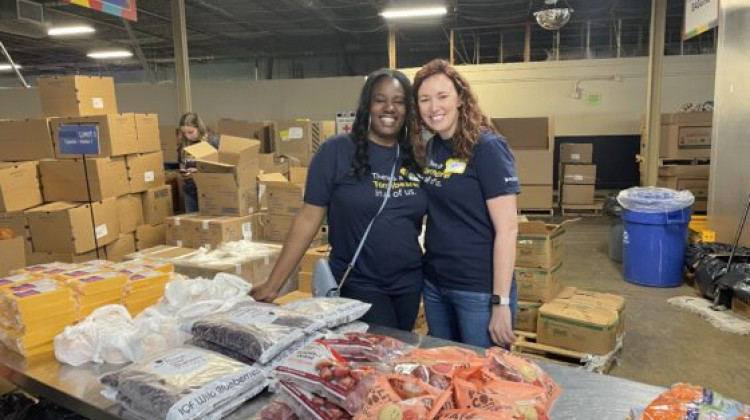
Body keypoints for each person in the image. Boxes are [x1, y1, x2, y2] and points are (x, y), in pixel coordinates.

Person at [252, 68, 426, 332]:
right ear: (368, 106)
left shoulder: (416, 156)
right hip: (359, 282)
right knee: (381, 355)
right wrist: (273, 284)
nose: (389, 108)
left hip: (409, 283)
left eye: (399, 101)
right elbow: (308, 219)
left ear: (407, 109)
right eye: (380, 99)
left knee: (396, 356)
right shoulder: (336, 151)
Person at [412, 58, 520, 348]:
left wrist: (500, 303)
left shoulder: (487, 148)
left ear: (460, 98)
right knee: (446, 372)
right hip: (436, 284)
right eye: (425, 99)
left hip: (478, 291)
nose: (434, 107)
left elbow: (508, 230)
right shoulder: (433, 147)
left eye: (442, 96)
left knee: (481, 380)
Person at [177, 112, 218, 213]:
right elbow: (181, 163)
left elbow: (220, 167)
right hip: (190, 191)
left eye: (191, 132)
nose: (188, 136)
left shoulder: (211, 142)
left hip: (208, 191)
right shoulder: (184, 145)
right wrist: (183, 172)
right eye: (184, 133)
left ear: (199, 128)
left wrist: (197, 171)